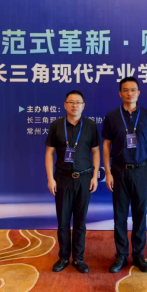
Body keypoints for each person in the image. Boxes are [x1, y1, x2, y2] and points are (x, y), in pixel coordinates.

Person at [102, 77, 147, 273]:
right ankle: (121, 255)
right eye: (125, 90)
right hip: (118, 170)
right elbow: (106, 145)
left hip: (141, 170)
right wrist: (108, 172)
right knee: (120, 215)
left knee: (140, 214)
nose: (129, 93)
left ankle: (139, 255)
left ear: (138, 93)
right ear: (120, 93)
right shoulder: (112, 116)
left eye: (133, 90)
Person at [45, 90, 100, 274]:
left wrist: (94, 176)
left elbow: (96, 151)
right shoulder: (56, 125)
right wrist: (50, 178)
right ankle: (63, 257)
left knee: (80, 221)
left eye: (78, 102)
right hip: (62, 178)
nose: (75, 105)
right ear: (65, 105)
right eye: (71, 102)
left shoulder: (90, 126)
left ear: (83, 106)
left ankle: (78, 258)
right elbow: (49, 153)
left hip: (84, 178)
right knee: (63, 220)